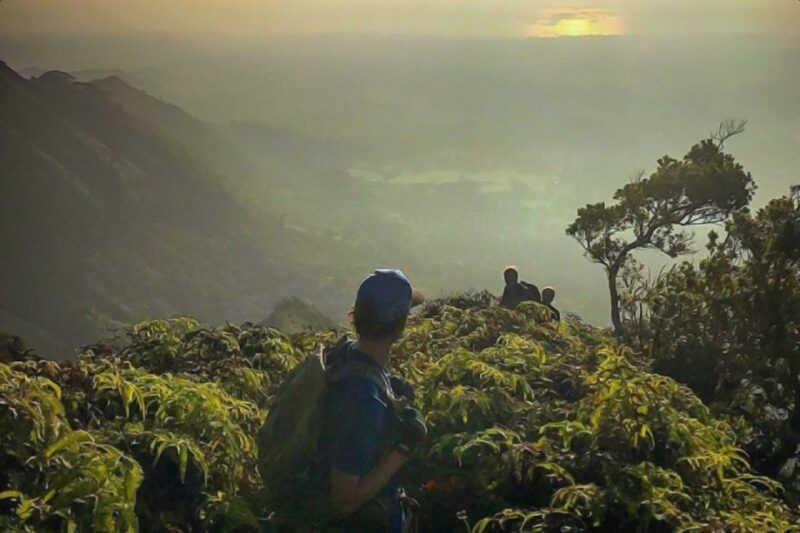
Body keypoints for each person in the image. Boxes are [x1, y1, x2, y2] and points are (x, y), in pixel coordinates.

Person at [318, 269, 427, 532]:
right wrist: (403, 449)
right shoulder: (364, 398)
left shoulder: (345, 354)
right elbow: (343, 500)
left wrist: (389, 387)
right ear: (400, 325)